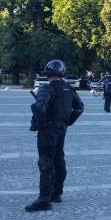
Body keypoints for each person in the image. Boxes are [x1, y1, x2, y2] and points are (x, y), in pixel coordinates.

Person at [25, 60, 83, 211]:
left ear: (48, 73)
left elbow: (39, 107)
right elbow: (79, 108)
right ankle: (57, 193)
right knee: (58, 159)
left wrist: (41, 124)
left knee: (45, 163)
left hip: (48, 130)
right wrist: (67, 122)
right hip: (61, 129)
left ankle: (44, 199)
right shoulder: (69, 88)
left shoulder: (47, 88)